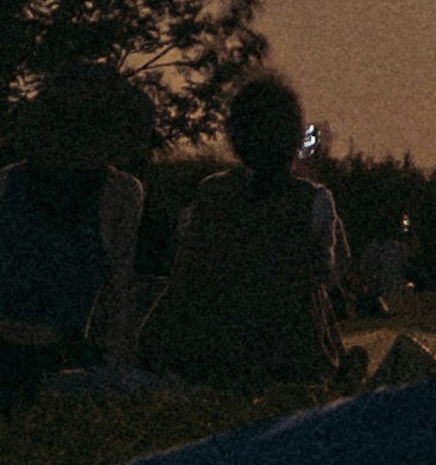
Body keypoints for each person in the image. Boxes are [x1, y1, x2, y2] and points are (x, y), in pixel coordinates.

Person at [0, 69, 149, 393]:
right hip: (15, 350)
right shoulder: (118, 192)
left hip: (20, 350)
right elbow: (120, 289)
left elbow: (121, 288)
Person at [145, 71, 353, 392]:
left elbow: (188, 271)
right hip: (292, 351)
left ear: (235, 137)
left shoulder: (213, 192)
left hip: (215, 346)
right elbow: (324, 273)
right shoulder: (314, 200)